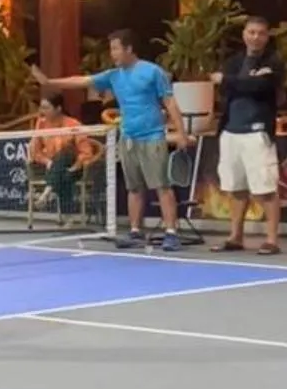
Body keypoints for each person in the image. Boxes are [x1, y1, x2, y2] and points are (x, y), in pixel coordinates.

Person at [34, 30, 186, 250]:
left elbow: (170, 103)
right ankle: (135, 232)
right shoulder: (113, 76)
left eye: (115, 48)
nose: (112, 53)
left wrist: (181, 133)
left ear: (129, 49)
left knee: (162, 185)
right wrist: (49, 81)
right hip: (128, 137)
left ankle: (171, 233)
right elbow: (81, 81)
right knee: (134, 188)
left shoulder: (152, 72)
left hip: (152, 136)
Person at [210, 14, 284, 255]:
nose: (255, 37)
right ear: (244, 35)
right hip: (231, 132)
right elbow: (228, 87)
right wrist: (234, 81)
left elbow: (260, 86)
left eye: (260, 33)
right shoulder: (233, 62)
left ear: (267, 36)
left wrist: (229, 81)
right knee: (235, 188)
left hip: (257, 133)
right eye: (251, 32)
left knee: (265, 188)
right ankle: (235, 237)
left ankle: (271, 240)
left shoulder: (273, 62)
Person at [27, 94, 101, 225]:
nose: (42, 111)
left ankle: (46, 194)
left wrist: (76, 165)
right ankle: (68, 217)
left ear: (58, 108)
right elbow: (35, 151)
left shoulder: (74, 124)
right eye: (41, 107)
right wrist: (48, 162)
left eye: (46, 108)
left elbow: (86, 152)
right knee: (64, 176)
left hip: (76, 168)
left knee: (66, 153)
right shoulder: (41, 124)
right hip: (56, 169)